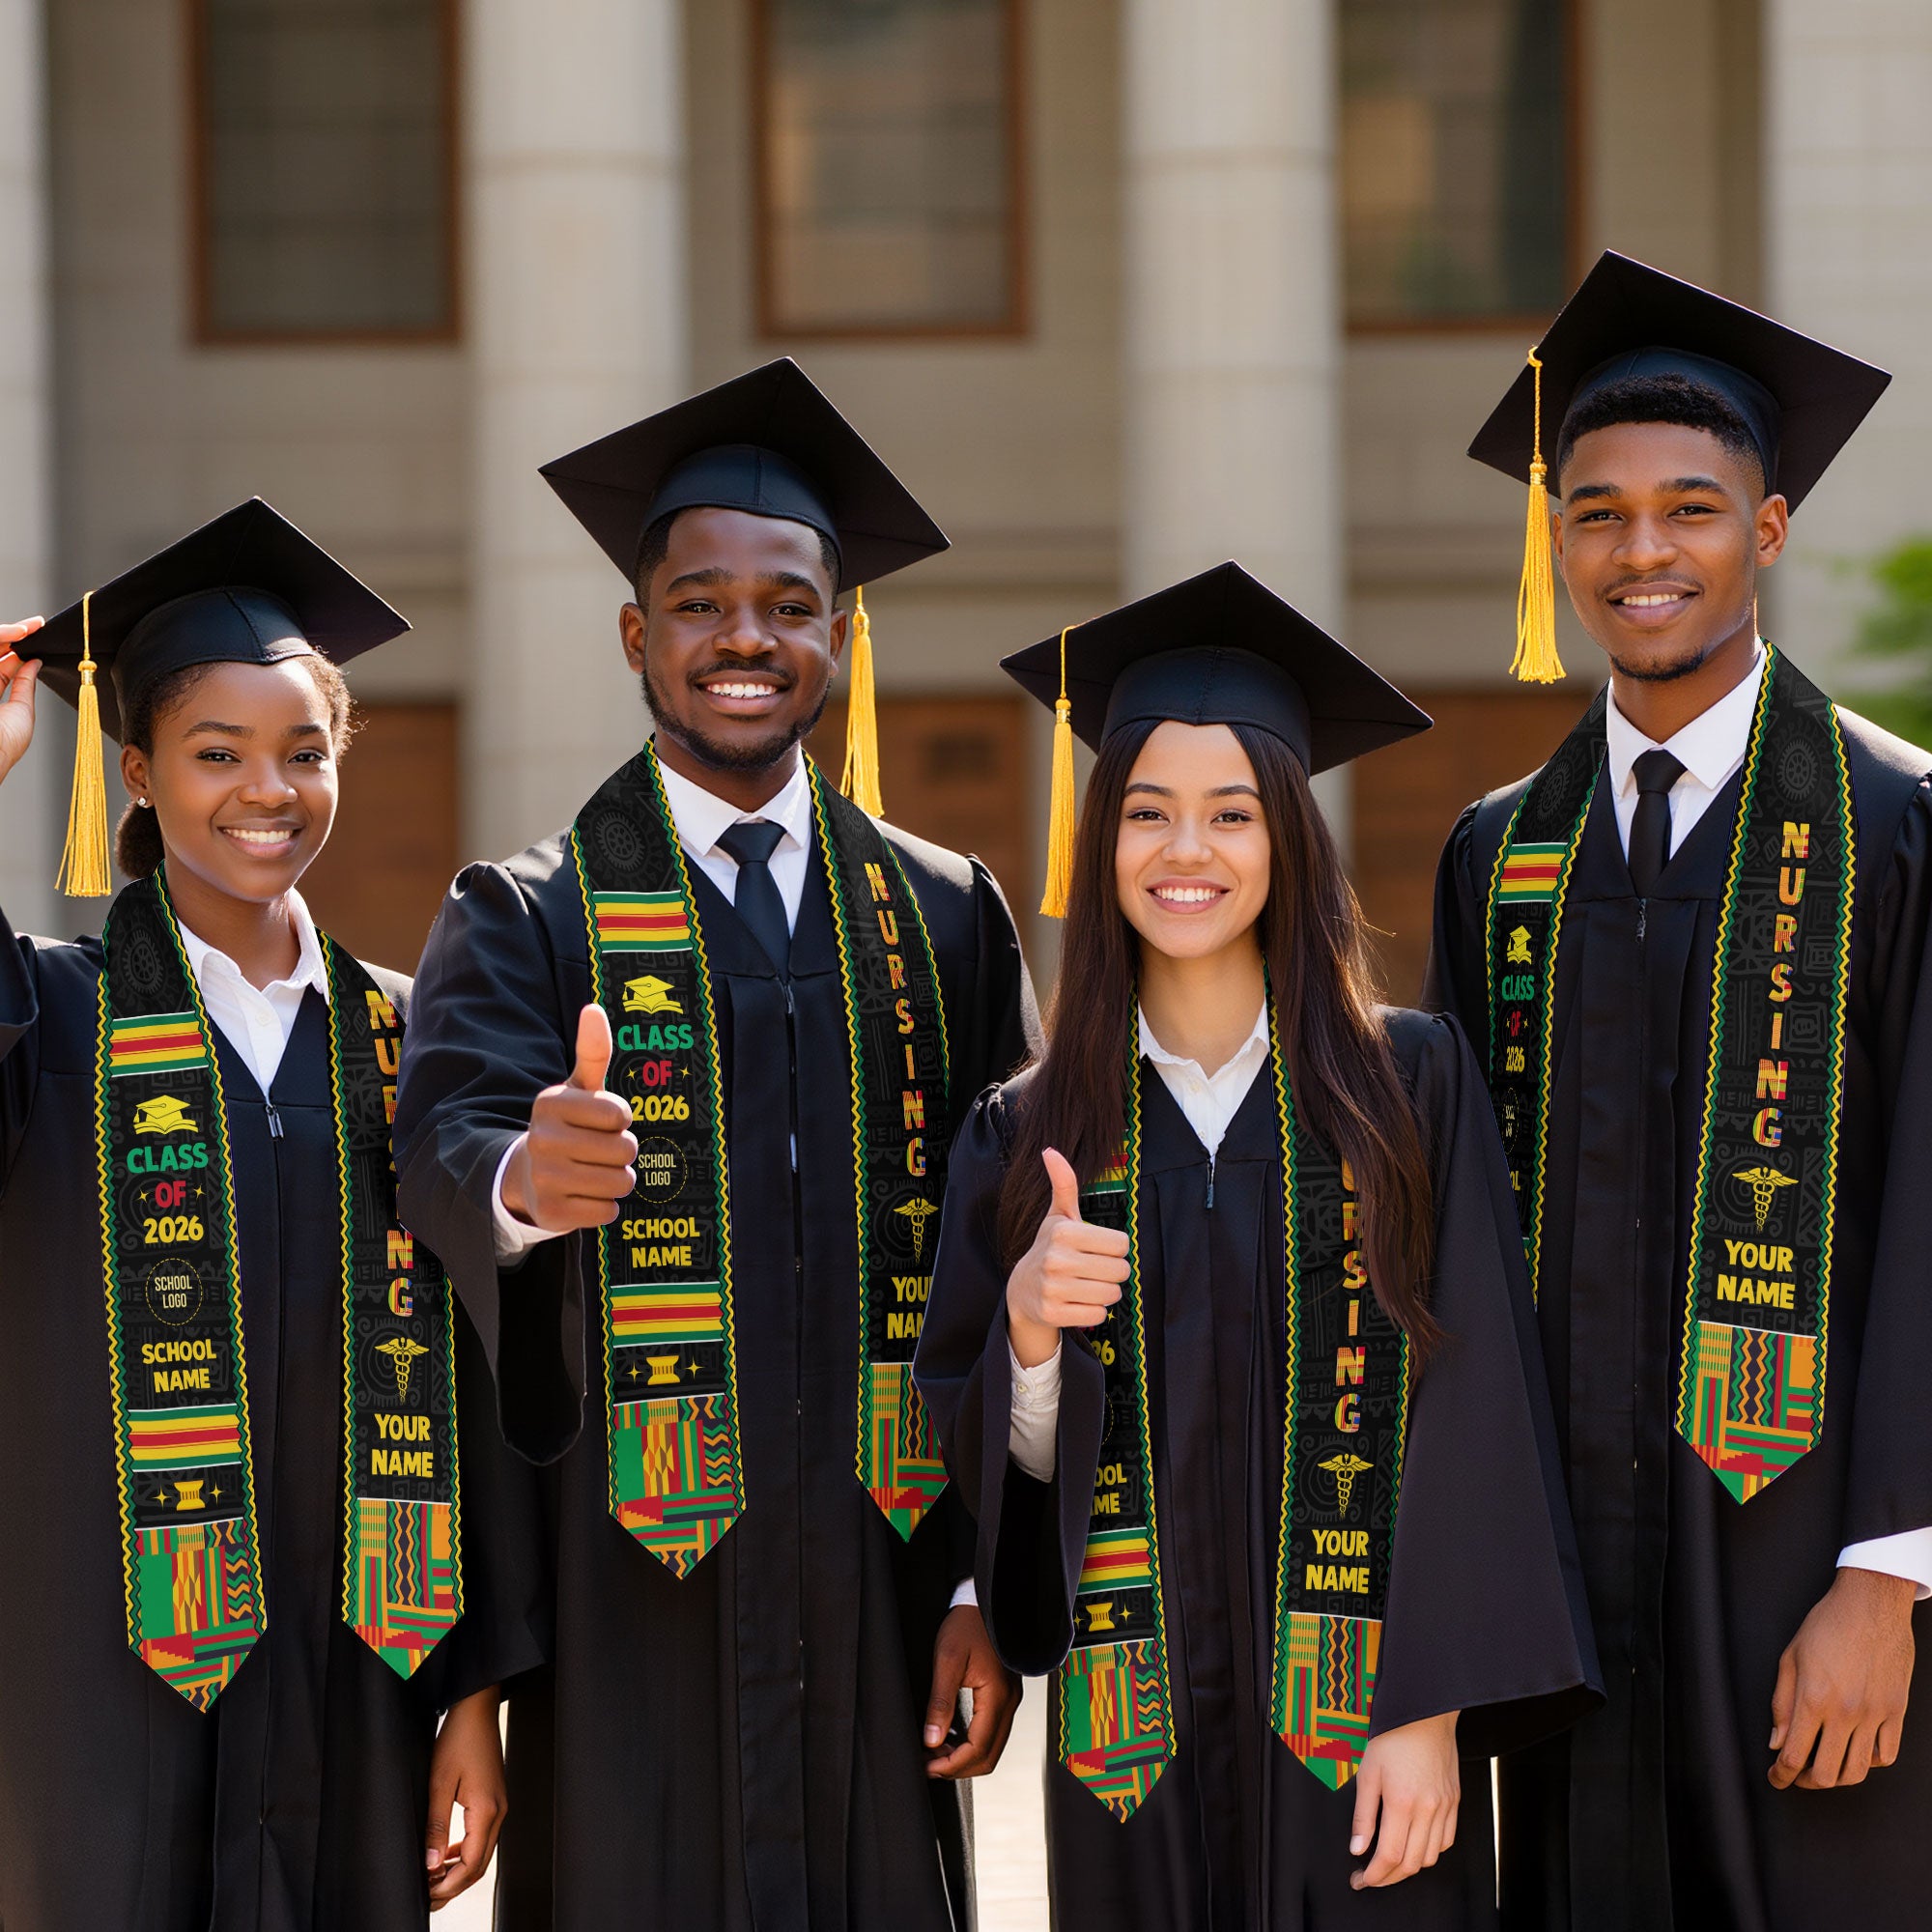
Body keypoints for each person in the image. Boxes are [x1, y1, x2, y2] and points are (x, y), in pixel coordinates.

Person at [392, 358, 1038, 1929]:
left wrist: (980, 1588)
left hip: (884, 1593)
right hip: (633, 1605)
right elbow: (438, 1153)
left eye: (788, 603)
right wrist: (524, 1184)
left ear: (840, 634)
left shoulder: (943, 914)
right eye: (697, 603)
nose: (744, 638)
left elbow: (1017, 1253)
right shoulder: (528, 915)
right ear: (637, 634)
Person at [916, 562, 1599, 1930]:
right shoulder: (1031, 1129)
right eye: (1149, 813)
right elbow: (988, 1467)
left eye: (1231, 814)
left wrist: (1431, 1707)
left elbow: (1478, 1407)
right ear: (1100, 842)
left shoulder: (1411, 1089)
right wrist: (1033, 1342)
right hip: (1132, 1746)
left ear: (1288, 839)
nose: (1188, 853)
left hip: (1364, 1735)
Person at [1427, 251, 1932, 1932]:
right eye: (1598, 511)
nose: (1643, 551)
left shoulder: (1899, 825)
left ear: (1769, 531)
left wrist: (1890, 1571)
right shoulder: (1502, 855)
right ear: (1555, 539)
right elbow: (1454, 1240)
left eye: (1692, 508)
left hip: (1808, 1562)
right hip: (1567, 1575)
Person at [0, 498, 546, 1931]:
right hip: (93, 1682)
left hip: (357, 1666)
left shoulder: (411, 1045)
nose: (268, 790)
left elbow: (482, 1381)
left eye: (305, 753)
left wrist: (476, 1700)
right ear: (134, 771)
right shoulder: (54, 1017)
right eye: (216, 754)